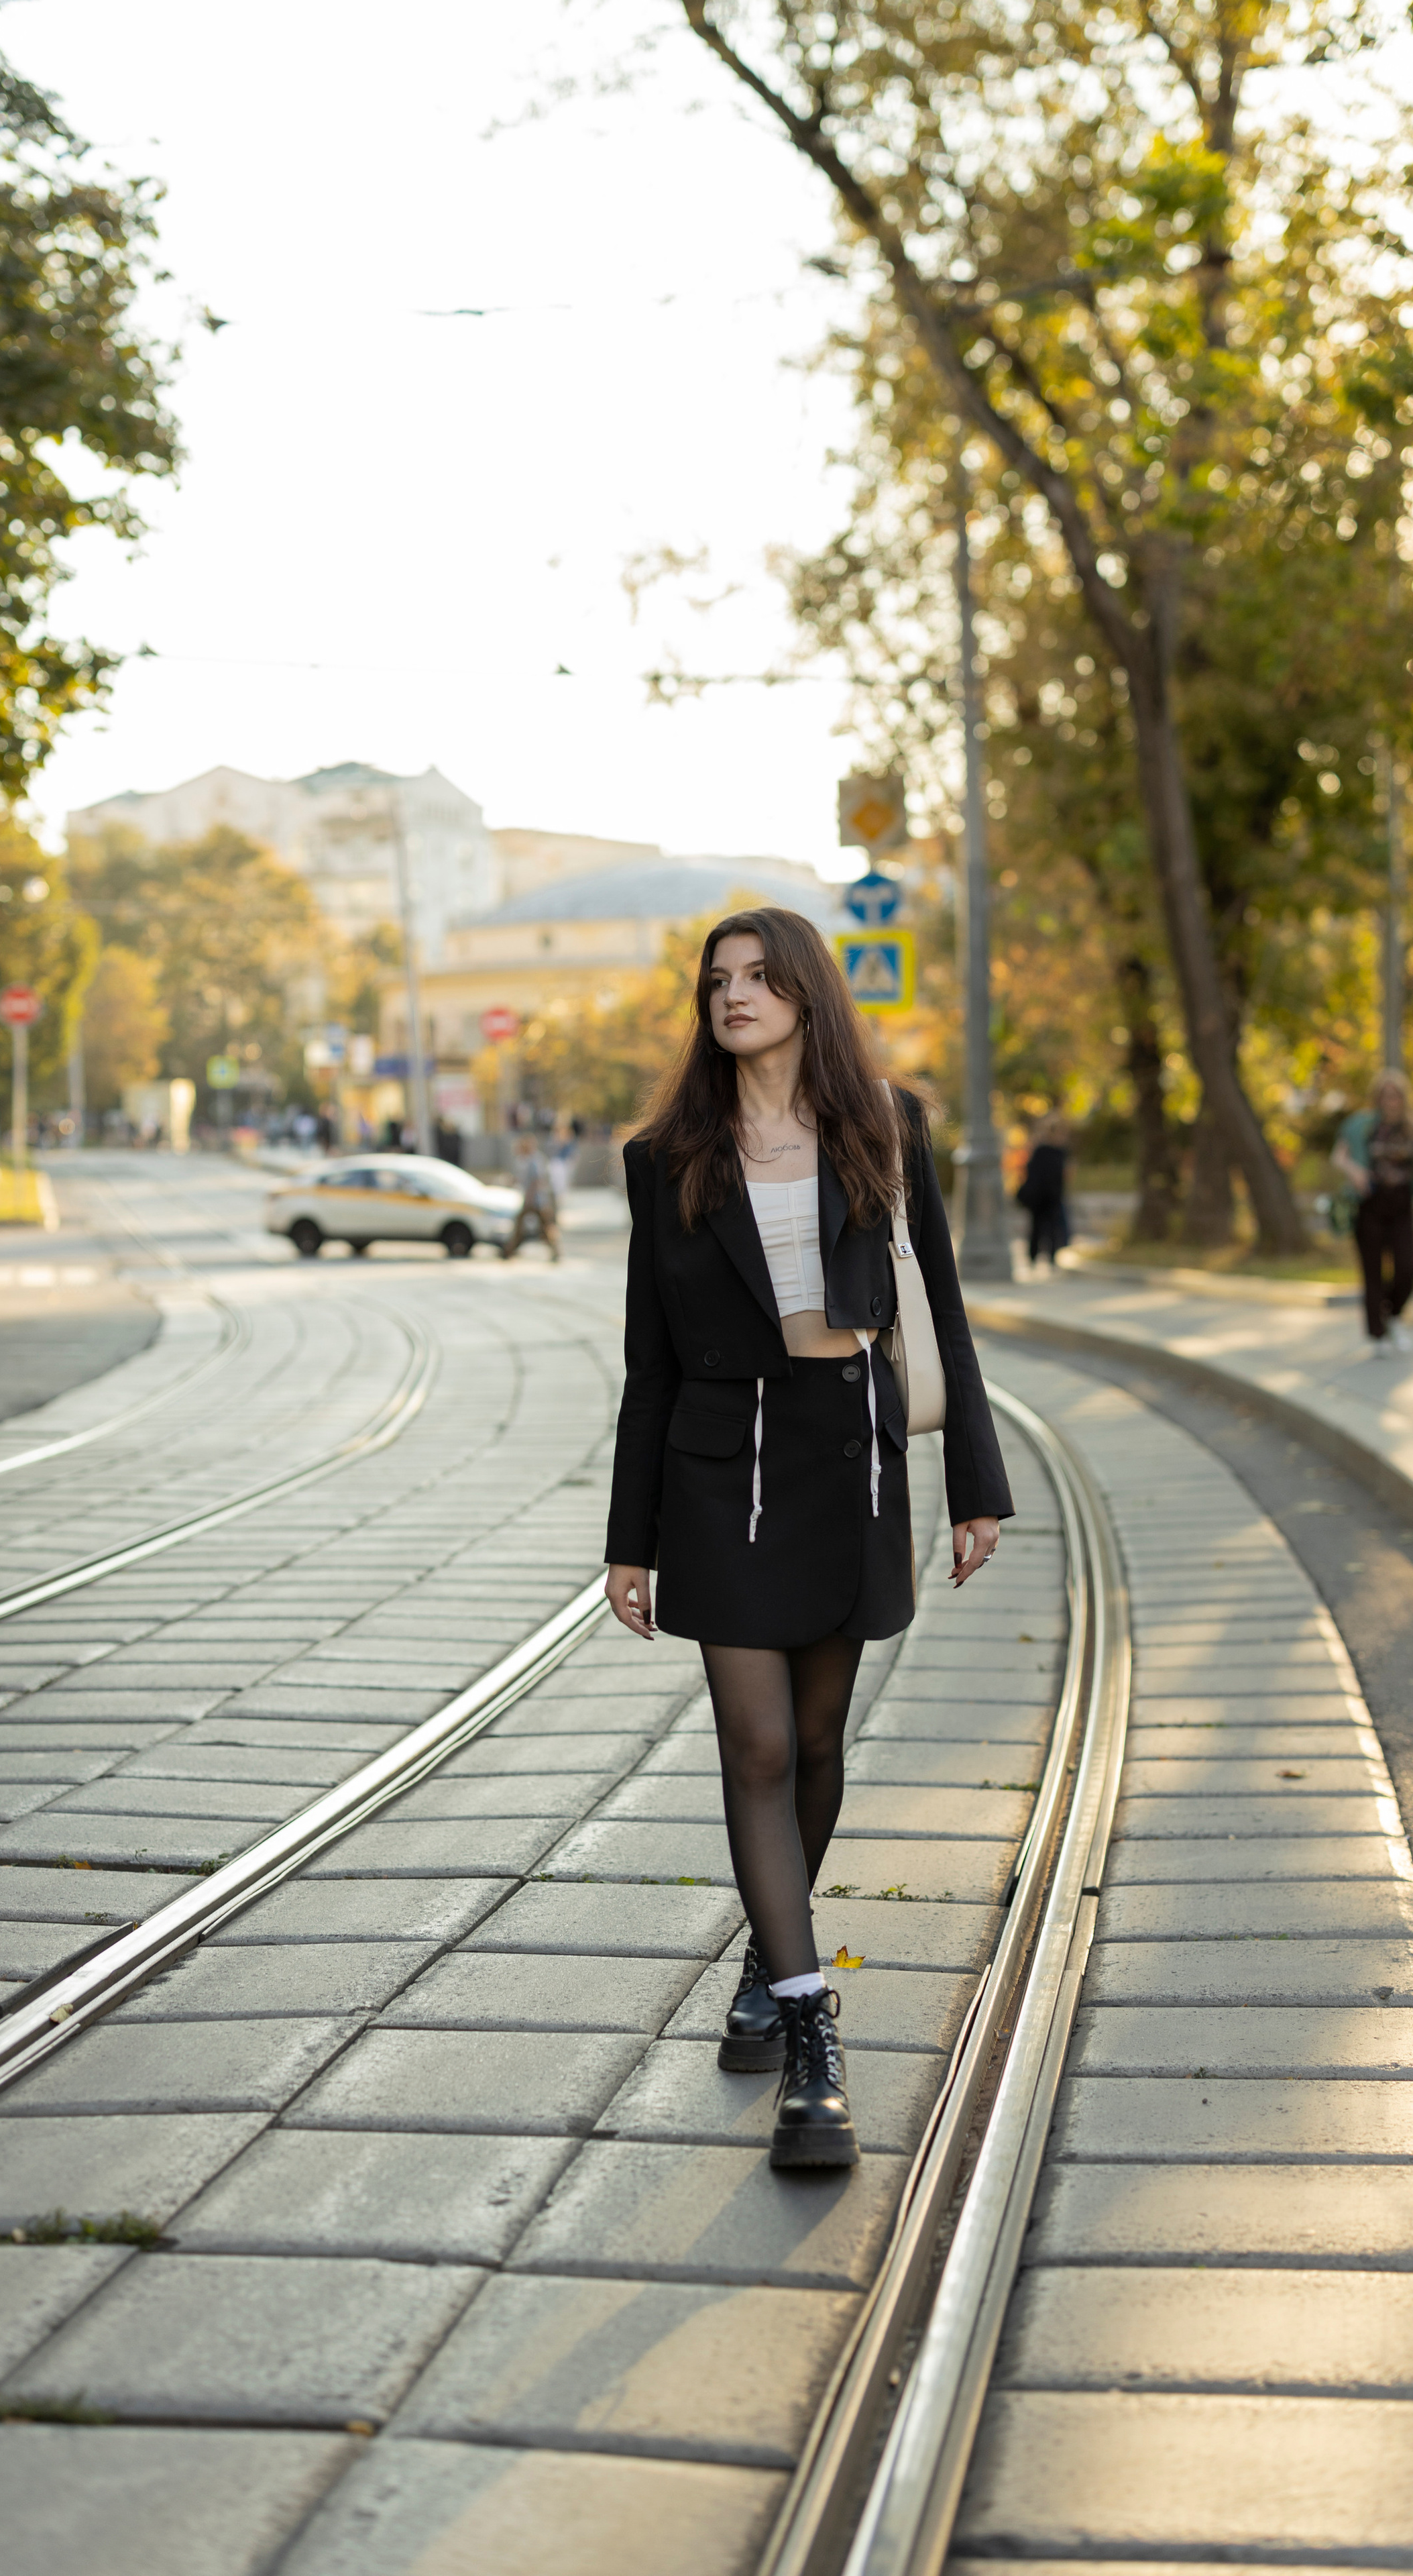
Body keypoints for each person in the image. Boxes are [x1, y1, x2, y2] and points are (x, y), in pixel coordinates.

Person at [604, 908, 1014, 2173]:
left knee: (825, 1740)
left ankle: (762, 1955)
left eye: (758, 978)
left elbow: (938, 1303)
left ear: (804, 995)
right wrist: (632, 1541)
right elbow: (650, 1361)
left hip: (850, 1469)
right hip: (722, 1481)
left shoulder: (883, 1130)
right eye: (716, 981)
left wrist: (973, 1485)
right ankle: (811, 2031)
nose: (733, 997)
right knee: (763, 1743)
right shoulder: (666, 1153)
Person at [1331, 1069, 1413, 1354]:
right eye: (1385, 1095)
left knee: (1408, 1267)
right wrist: (1354, 1170)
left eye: (1396, 1096)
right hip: (1369, 1205)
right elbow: (1339, 1156)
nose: (1391, 1101)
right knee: (1373, 1273)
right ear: (1378, 1098)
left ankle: (1394, 1316)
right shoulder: (1361, 1125)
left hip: (1402, 1207)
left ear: (1404, 1098)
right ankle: (1378, 1335)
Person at [1015, 1114, 1071, 1269]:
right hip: (1043, 1196)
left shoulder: (1052, 1150)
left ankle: (1045, 1256)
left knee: (1046, 1227)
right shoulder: (1048, 1150)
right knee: (1042, 1227)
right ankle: (1040, 1257)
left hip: (1049, 1195)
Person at [503, 1137, 562, 1262]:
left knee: (546, 1226)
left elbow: (537, 1181)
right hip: (533, 1200)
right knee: (523, 1225)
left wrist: (529, 1197)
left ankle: (556, 1250)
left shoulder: (535, 1160)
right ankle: (510, 1250)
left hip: (538, 1201)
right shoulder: (527, 1160)